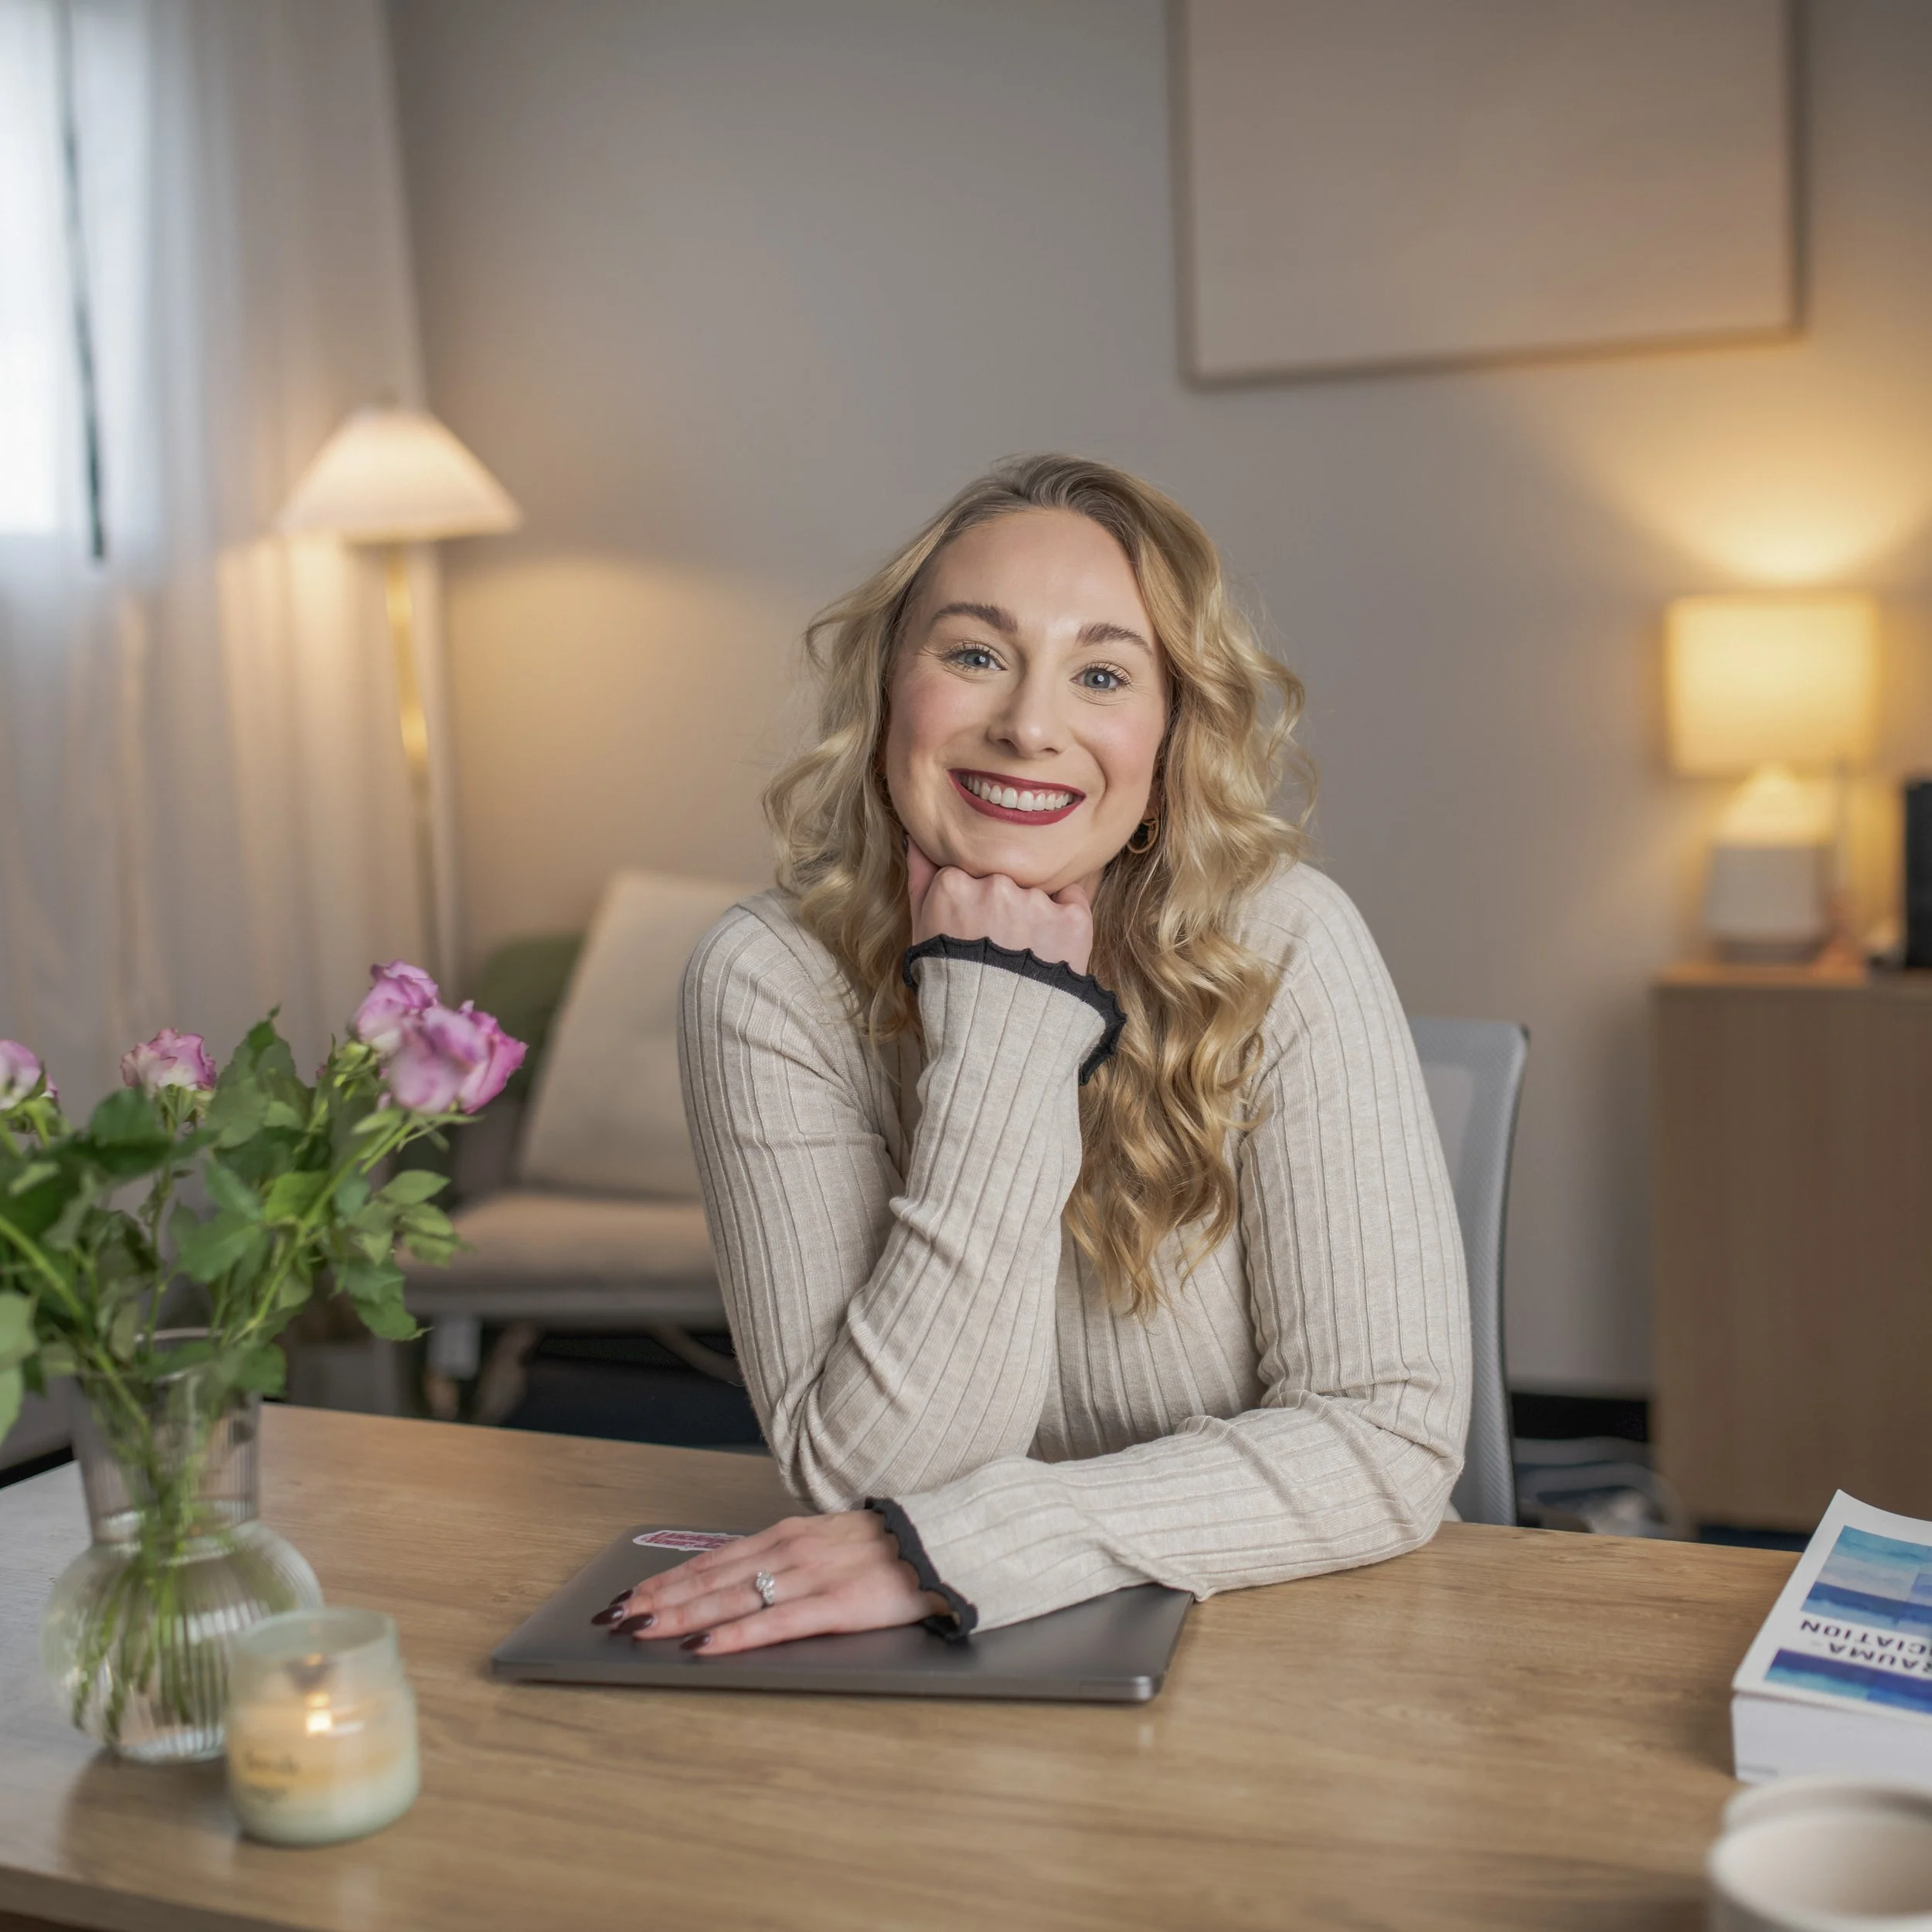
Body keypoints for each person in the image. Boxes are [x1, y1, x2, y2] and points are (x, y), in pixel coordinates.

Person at [594, 455, 1468, 1655]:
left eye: (1102, 674)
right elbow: (870, 1484)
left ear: (1167, 747)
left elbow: (1389, 1442)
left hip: (1290, 1638)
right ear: (890, 691)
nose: (1028, 724)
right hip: (928, 1671)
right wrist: (1002, 1027)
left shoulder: (1286, 940)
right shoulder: (768, 979)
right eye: (974, 655)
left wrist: (974, 1545)